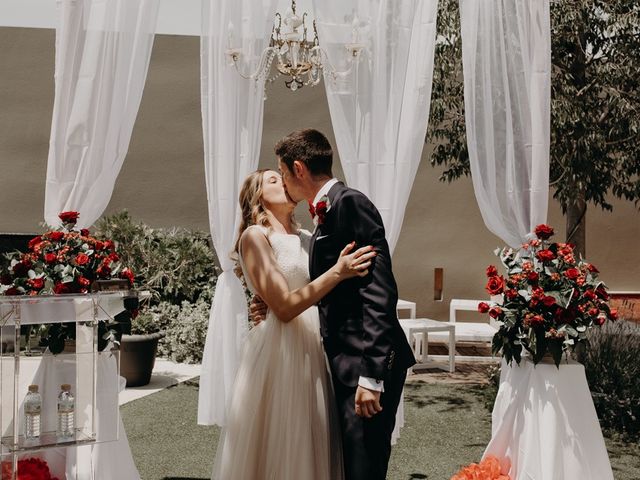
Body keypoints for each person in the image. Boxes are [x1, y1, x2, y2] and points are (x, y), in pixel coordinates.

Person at [212, 168, 376, 480]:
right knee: (282, 439)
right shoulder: (255, 237)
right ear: (259, 197)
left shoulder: (308, 238)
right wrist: (338, 272)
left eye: (283, 177)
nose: (283, 182)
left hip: (316, 345)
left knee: (312, 436)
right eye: (273, 180)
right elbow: (285, 308)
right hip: (279, 350)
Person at [273, 129, 416, 480]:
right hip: (343, 361)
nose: (284, 183)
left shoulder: (349, 203)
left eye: (282, 172)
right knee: (353, 464)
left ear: (298, 168)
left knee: (364, 466)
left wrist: (370, 376)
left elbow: (378, 293)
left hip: (364, 361)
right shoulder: (325, 212)